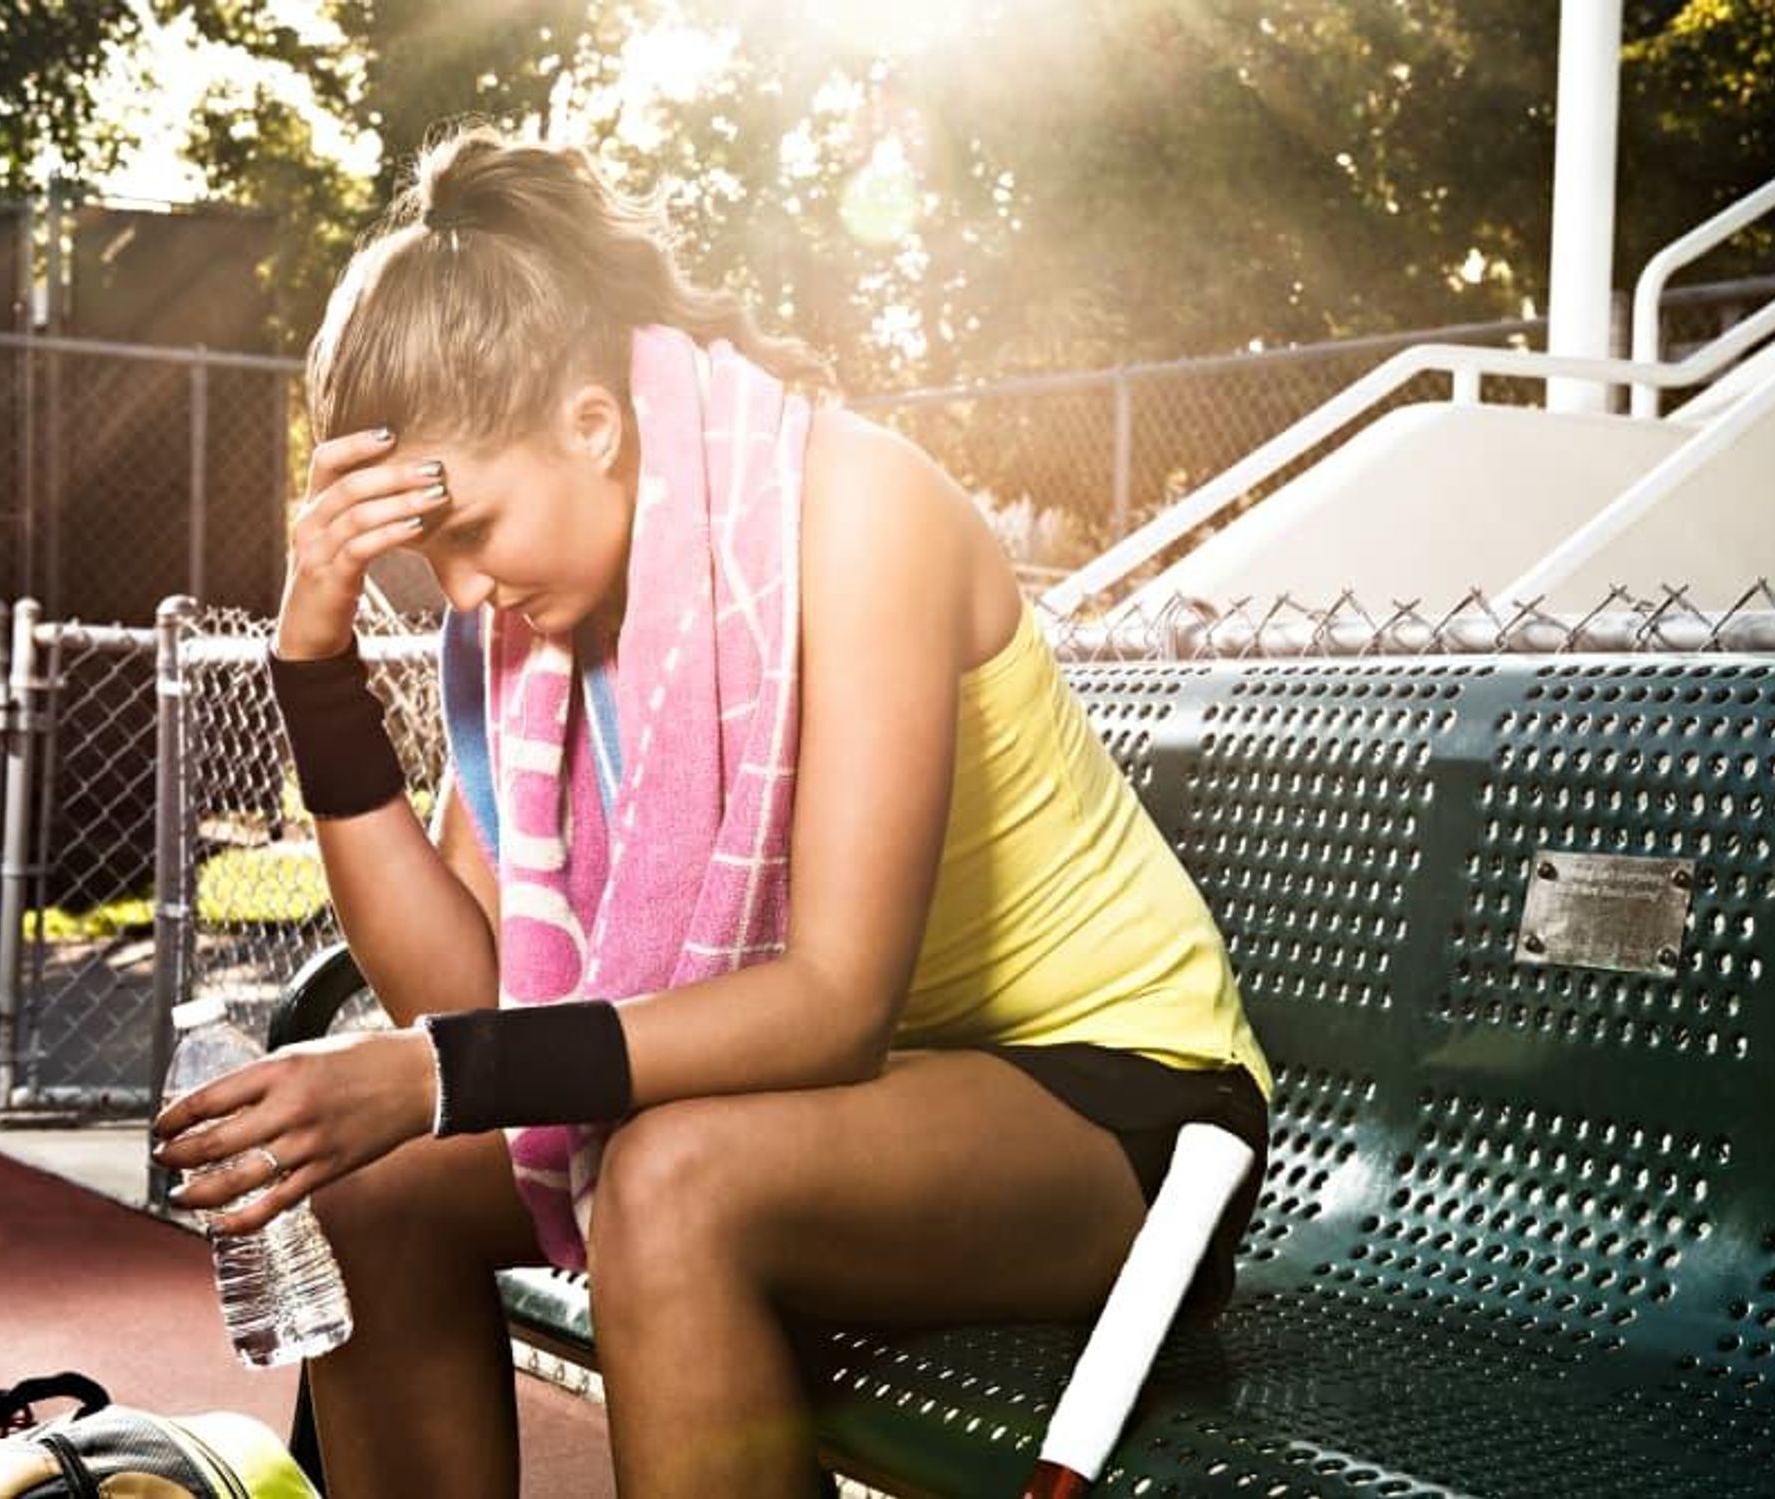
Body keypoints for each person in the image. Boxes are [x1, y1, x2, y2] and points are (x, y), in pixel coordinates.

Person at [151, 124, 1272, 1499]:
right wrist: (314, 678)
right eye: (423, 556)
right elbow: (467, 999)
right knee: (368, 1190)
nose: (461, 594)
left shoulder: (854, 508)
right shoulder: (526, 644)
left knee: (675, 1182)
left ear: (591, 423)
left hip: (1115, 1106)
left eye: (474, 530)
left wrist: (429, 1069)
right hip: (838, 1114)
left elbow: (834, 1004)